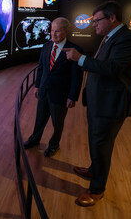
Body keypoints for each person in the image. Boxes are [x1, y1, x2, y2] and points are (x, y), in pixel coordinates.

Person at [63, 1, 131, 207]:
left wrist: (80, 59)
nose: (94, 25)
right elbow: (102, 65)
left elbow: (112, 68)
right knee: (96, 142)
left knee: (102, 146)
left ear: (112, 18)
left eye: (97, 20)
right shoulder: (110, 37)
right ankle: (94, 169)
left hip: (111, 105)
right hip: (100, 102)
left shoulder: (128, 39)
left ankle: (97, 190)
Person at [24, 17, 83, 157]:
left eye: (57, 31)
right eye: (51, 30)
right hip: (44, 91)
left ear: (66, 31)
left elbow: (77, 76)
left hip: (61, 95)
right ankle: (34, 139)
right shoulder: (46, 46)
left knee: (57, 123)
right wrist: (37, 86)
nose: (53, 34)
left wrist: (72, 96)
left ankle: (54, 145)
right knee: (39, 119)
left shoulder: (75, 50)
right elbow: (41, 69)